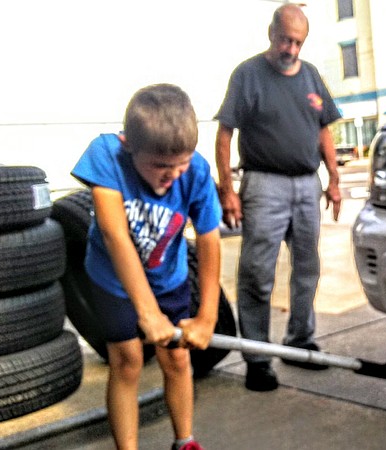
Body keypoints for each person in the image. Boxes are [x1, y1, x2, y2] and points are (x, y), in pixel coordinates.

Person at [72, 83, 221, 450]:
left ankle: (184, 440)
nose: (172, 176)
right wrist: (147, 313)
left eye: (180, 164)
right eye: (159, 166)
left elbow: (209, 240)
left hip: (168, 277)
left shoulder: (197, 173)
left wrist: (207, 317)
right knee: (128, 361)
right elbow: (114, 234)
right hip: (113, 279)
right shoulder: (107, 155)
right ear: (129, 144)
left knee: (177, 358)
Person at [214, 3, 342, 392]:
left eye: (298, 42)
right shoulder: (248, 75)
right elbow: (224, 135)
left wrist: (334, 179)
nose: (291, 49)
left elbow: (324, 131)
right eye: (285, 39)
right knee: (257, 272)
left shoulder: (312, 76)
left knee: (307, 267)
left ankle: (300, 340)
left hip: (307, 184)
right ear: (272, 33)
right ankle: (257, 358)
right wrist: (228, 191)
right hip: (264, 184)